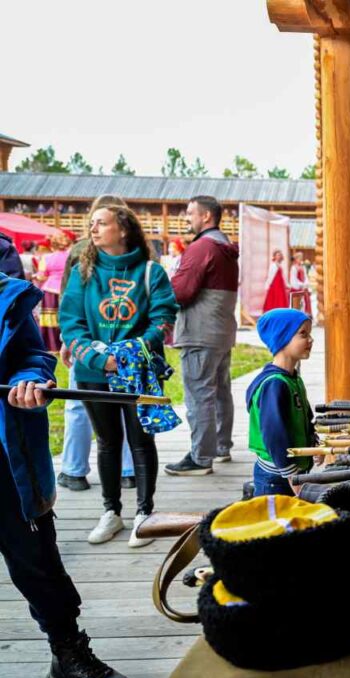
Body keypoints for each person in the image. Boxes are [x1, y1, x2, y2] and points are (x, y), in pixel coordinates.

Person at [0, 273, 129, 678]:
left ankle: (67, 652)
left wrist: (28, 379)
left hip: (6, 456)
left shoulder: (6, 294)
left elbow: (33, 356)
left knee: (38, 561)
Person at [59, 205, 178, 549]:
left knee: (141, 440)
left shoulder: (151, 272)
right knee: (107, 441)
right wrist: (99, 359)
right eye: (91, 224)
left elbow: (163, 318)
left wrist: (129, 353)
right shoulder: (85, 271)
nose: (93, 230)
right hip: (92, 371)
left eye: (101, 223)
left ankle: (144, 513)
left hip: (136, 369)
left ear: (123, 230)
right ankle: (111, 511)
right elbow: (71, 322)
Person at [57, 196, 137, 493]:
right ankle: (128, 470)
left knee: (79, 404)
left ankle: (74, 470)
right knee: (125, 401)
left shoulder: (80, 250)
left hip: (88, 340)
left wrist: (69, 340)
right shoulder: (136, 254)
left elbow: (69, 301)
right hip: (124, 340)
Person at [164, 195, 240, 476]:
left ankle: (200, 457)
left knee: (199, 394)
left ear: (206, 216)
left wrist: (163, 285)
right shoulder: (224, 248)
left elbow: (180, 292)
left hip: (199, 331)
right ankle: (221, 446)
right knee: (220, 391)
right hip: (221, 330)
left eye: (190, 213)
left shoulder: (201, 248)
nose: (187, 218)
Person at [245, 308, 316, 496]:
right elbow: (274, 435)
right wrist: (292, 477)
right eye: (303, 334)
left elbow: (306, 418)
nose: (310, 340)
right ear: (282, 337)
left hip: (291, 472)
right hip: (277, 478)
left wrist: (314, 445)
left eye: (310, 333)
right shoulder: (274, 384)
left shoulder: (292, 378)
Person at [35, 231, 72, 352]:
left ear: (52, 244)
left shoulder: (46, 258)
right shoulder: (70, 256)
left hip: (50, 290)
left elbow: (41, 276)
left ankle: (53, 346)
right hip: (68, 289)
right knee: (68, 316)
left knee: (50, 318)